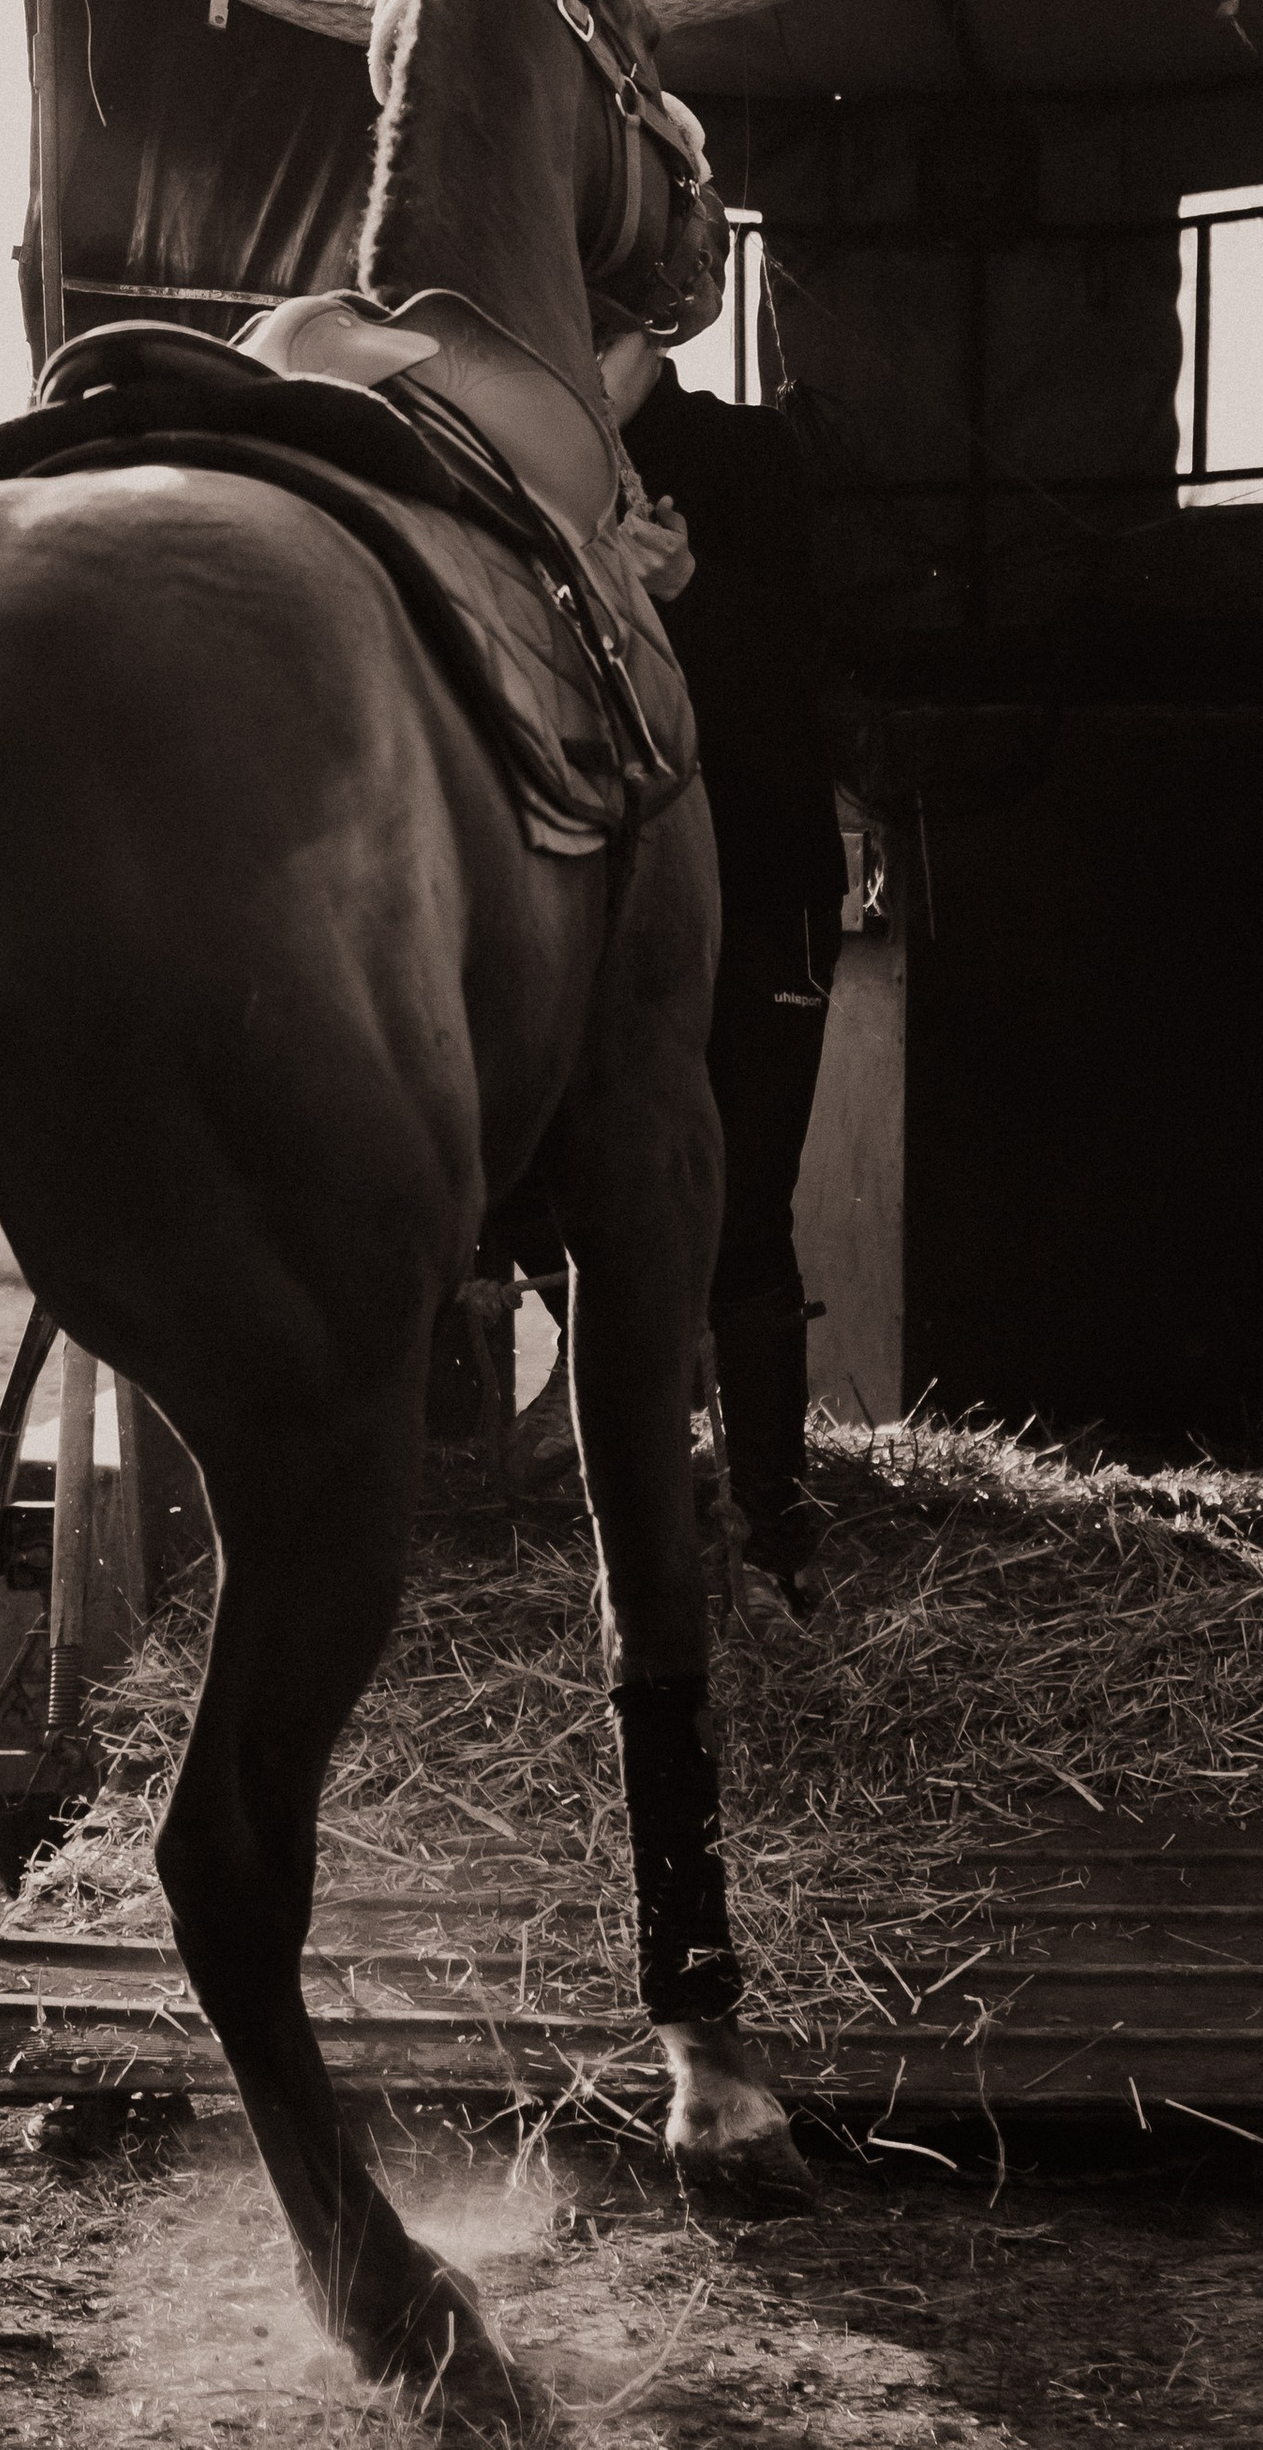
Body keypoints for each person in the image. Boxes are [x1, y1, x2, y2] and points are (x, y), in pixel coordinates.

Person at [503, 327, 846, 1619]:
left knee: (743, 1216)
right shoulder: (503, 455)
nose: (572, 351)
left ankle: (779, 1538)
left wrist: (693, 585)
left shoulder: (747, 453)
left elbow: (810, 670)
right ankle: (640, 1517)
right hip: (578, 894)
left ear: (657, 326)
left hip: (757, 885)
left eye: (598, 325)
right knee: (544, 1193)